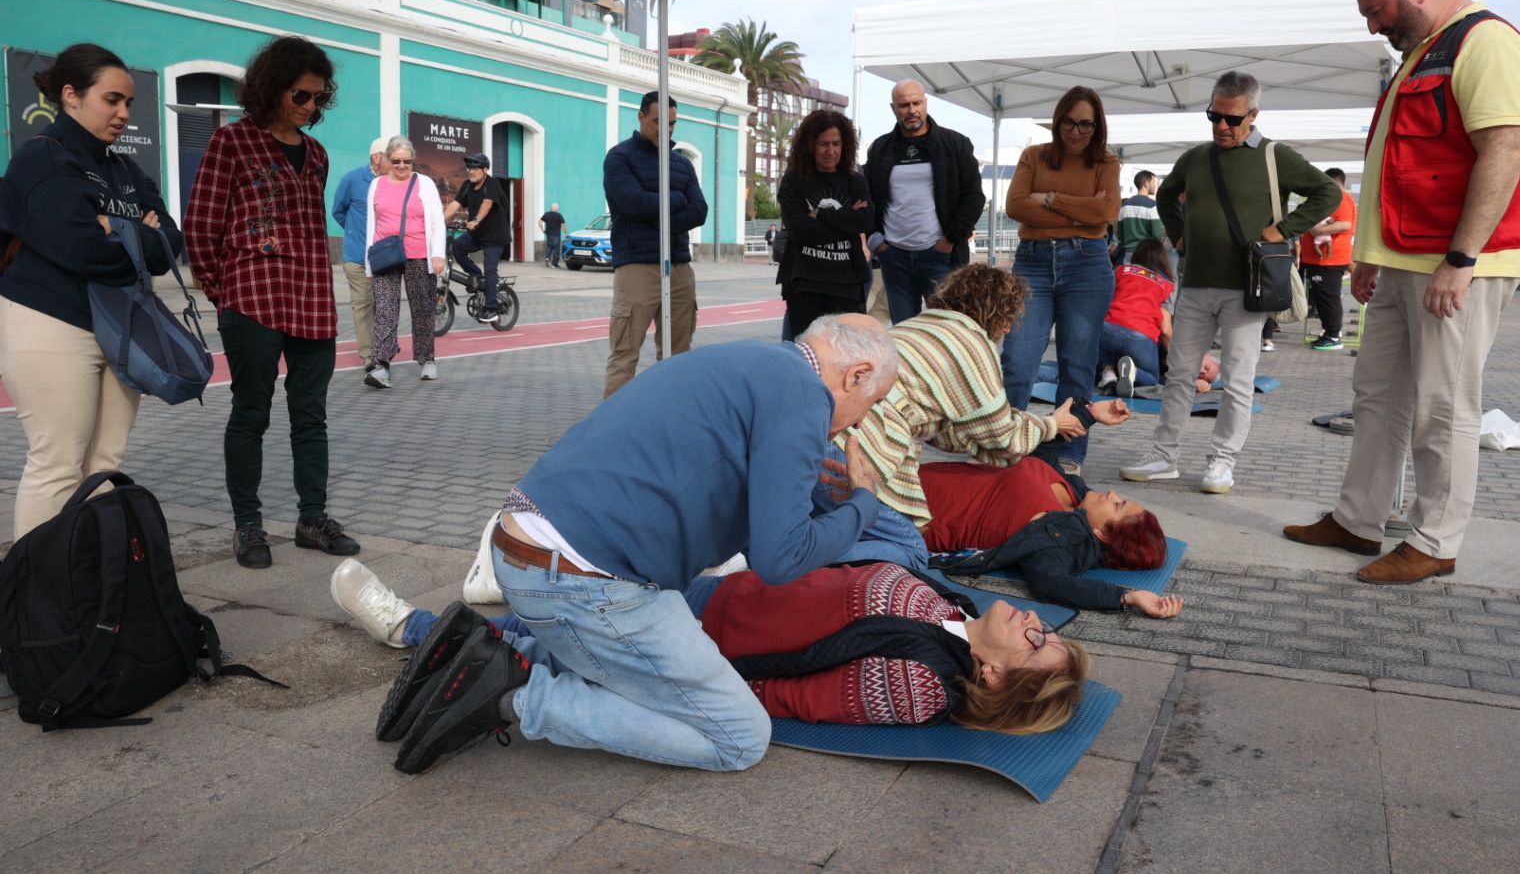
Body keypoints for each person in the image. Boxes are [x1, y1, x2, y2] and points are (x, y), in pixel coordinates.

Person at [360, 315, 902, 775]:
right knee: (737, 736)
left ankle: (469, 653)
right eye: (870, 404)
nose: (861, 421)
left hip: (525, 546)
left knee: (636, 672)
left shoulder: (755, 363)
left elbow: (754, 515)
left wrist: (820, 492)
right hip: (579, 581)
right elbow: (781, 561)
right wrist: (862, 504)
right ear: (855, 374)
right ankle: (510, 698)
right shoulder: (806, 399)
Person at [1285, 0, 1520, 585]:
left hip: (1452, 264)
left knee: (1444, 406)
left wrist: (1461, 258)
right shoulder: (1425, 55)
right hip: (1407, 260)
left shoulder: (1488, 43)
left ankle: (1435, 540)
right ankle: (1359, 518)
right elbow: (1395, 172)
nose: (1374, 26)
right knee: (1379, 397)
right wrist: (1370, 255)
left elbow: (1504, 151)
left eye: (1377, 11)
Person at [333, 558, 1090, 734]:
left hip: (693, 636)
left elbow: (788, 698)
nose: (1035, 624)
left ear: (992, 676)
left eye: (1037, 643)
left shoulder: (920, 685)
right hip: (707, 587)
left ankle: (409, 629)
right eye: (1046, 629)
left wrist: (678, 679)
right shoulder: (956, 607)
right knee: (547, 615)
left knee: (542, 648)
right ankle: (493, 596)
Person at [185, 35, 361, 569]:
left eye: (317, 98)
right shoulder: (232, 143)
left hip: (311, 302)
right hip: (253, 303)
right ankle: (248, 526)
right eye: (299, 96)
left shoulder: (318, 154)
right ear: (272, 89)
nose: (309, 107)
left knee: (312, 417)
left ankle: (312, 519)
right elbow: (201, 226)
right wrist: (226, 295)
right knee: (250, 415)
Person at [1118, 72, 1339, 495]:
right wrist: (1178, 232)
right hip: (1197, 284)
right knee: (1179, 374)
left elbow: (1325, 194)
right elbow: (1166, 196)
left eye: (1231, 119)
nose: (1221, 125)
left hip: (1247, 288)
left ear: (1253, 115)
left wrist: (1284, 229)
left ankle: (1222, 461)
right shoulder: (1196, 158)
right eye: (1213, 116)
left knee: (1238, 379)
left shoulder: (1275, 156)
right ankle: (1165, 456)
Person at [0, 43, 183, 538]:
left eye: (129, 103)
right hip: (51, 321)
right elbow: (87, 251)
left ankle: (90, 574)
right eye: (112, 100)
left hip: (120, 324)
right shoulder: (42, 159)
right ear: (71, 96)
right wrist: (137, 231)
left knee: (104, 463)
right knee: (59, 462)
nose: (124, 113)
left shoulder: (122, 167)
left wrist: (120, 227)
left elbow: (172, 243)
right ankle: (38, 593)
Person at [845, 264, 1130, 553]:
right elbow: (1003, 437)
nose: (1007, 328)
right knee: (909, 551)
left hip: (841, 427)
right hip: (867, 446)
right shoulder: (973, 345)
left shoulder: (918, 325)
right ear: (994, 313)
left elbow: (953, 430)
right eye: (1008, 318)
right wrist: (1053, 425)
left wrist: (1084, 415)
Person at [999, 86, 1122, 472]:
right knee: (1018, 361)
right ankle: (1006, 446)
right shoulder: (1033, 156)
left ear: (1096, 125)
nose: (1075, 131)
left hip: (1087, 266)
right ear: (1057, 121)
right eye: (1069, 122)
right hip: (1033, 263)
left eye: (1085, 124)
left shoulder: (1106, 161)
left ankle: (1067, 454)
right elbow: (1016, 206)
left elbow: (1107, 211)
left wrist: (1049, 200)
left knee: (1077, 365)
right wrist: (1081, 215)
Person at [918, 457, 1182, 617]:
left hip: (906, 507)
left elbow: (1052, 583)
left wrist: (1128, 597)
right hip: (911, 472)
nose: (1112, 493)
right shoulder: (1079, 497)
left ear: (1101, 534)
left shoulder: (1061, 541)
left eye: (1117, 505)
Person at [602, 91, 708, 396]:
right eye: (658, 121)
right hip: (637, 267)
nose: (666, 129)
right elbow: (634, 203)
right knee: (625, 354)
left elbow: (699, 210)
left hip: (678, 266)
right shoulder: (620, 158)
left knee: (678, 356)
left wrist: (661, 216)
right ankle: (613, 428)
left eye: (672, 123)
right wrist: (676, 200)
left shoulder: (682, 165)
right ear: (641, 117)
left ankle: (672, 418)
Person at [863, 79, 984, 323]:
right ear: (893, 108)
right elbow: (868, 198)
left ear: (925, 102)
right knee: (904, 332)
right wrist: (877, 242)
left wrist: (949, 240)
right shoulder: (880, 149)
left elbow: (974, 197)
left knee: (946, 330)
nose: (911, 110)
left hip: (940, 255)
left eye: (916, 102)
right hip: (894, 256)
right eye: (904, 105)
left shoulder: (955, 144)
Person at [774, 110, 874, 337]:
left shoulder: (856, 180)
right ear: (810, 145)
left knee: (848, 351)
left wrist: (819, 216)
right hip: (806, 283)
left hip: (848, 282)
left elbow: (866, 221)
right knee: (807, 349)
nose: (831, 151)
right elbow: (799, 231)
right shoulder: (794, 181)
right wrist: (847, 220)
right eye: (823, 144)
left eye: (836, 144)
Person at [362, 136, 446, 387]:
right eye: (396, 161)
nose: (401, 166)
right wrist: (369, 263)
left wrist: (438, 253)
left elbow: (436, 221)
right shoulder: (376, 185)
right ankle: (382, 365)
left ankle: (427, 359)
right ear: (387, 159)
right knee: (385, 310)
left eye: (407, 161)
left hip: (419, 253)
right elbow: (371, 226)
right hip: (385, 256)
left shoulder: (425, 183)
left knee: (422, 309)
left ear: (413, 161)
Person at [331, 138, 387, 369]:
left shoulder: (391, 183)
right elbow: (338, 211)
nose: (396, 162)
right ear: (376, 157)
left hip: (383, 257)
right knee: (363, 304)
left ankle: (382, 349)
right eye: (390, 157)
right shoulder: (352, 179)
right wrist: (355, 231)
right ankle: (368, 356)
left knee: (382, 304)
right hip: (356, 257)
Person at [1096, 239, 1177, 398]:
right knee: (1153, 379)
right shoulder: (1167, 284)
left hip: (1109, 330)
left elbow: (1103, 304)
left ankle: (1108, 371)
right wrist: (1174, 361)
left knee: (1102, 327)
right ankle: (1131, 372)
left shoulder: (1121, 270)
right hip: (1141, 337)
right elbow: (1166, 330)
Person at [1299, 167, 1357, 351]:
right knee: (1322, 297)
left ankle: (1333, 335)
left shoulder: (1339, 198)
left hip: (1330, 260)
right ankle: (1329, 333)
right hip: (1322, 259)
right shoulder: (1332, 198)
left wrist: (1316, 230)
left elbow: (1345, 223)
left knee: (1328, 298)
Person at [449, 152, 508, 324]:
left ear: (484, 170)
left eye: (475, 168)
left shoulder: (493, 183)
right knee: (457, 247)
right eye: (469, 168)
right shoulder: (467, 185)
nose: (471, 171)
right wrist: (439, 221)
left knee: (490, 269)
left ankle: (491, 308)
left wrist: (475, 220)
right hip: (477, 234)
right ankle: (475, 275)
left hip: (495, 237)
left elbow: (487, 204)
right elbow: (455, 205)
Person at [1114, 169, 1165, 265]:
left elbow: (1120, 234)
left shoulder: (1124, 205)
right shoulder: (1153, 206)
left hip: (1127, 255)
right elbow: (1157, 235)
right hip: (1146, 255)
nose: (1156, 186)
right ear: (1146, 184)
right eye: (1154, 182)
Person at [541, 202, 565, 268]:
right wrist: (565, 232)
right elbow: (563, 225)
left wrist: (542, 229)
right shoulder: (559, 215)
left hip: (549, 234)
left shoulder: (546, 214)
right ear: (557, 209)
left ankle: (547, 258)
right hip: (556, 235)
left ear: (551, 208)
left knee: (549, 247)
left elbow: (540, 221)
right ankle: (554, 264)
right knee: (556, 250)